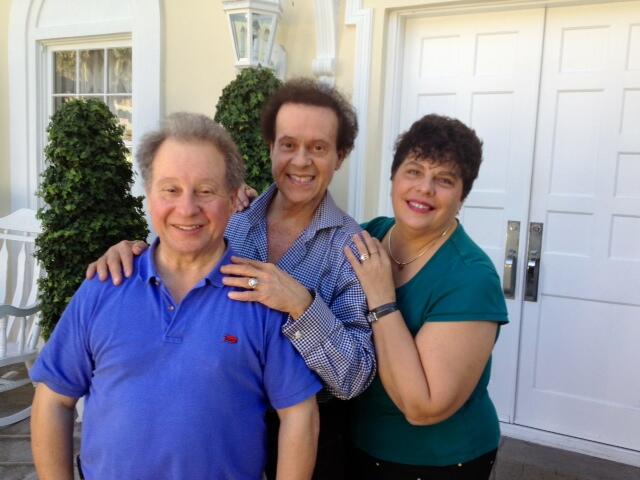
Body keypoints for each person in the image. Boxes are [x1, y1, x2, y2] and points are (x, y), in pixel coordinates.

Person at [85, 79, 376, 479]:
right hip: (219, 429)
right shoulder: (232, 215)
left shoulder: (350, 248)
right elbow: (171, 260)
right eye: (288, 144)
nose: (302, 161)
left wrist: (302, 306)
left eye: (319, 148)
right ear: (271, 147)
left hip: (306, 434)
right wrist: (130, 251)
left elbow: (355, 376)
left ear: (340, 157)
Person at [30, 113, 322, 480]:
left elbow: (299, 413)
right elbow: (54, 399)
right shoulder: (104, 286)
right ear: (150, 196)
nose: (187, 209)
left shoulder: (260, 295)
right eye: (171, 189)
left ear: (233, 200)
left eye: (205, 191)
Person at [343, 114, 508, 479]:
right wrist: (252, 206)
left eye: (444, 180)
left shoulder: (470, 277)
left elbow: (423, 407)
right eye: (414, 171)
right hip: (354, 443)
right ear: (394, 177)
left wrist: (383, 299)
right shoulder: (369, 235)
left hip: (436, 461)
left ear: (462, 195)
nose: (425, 188)